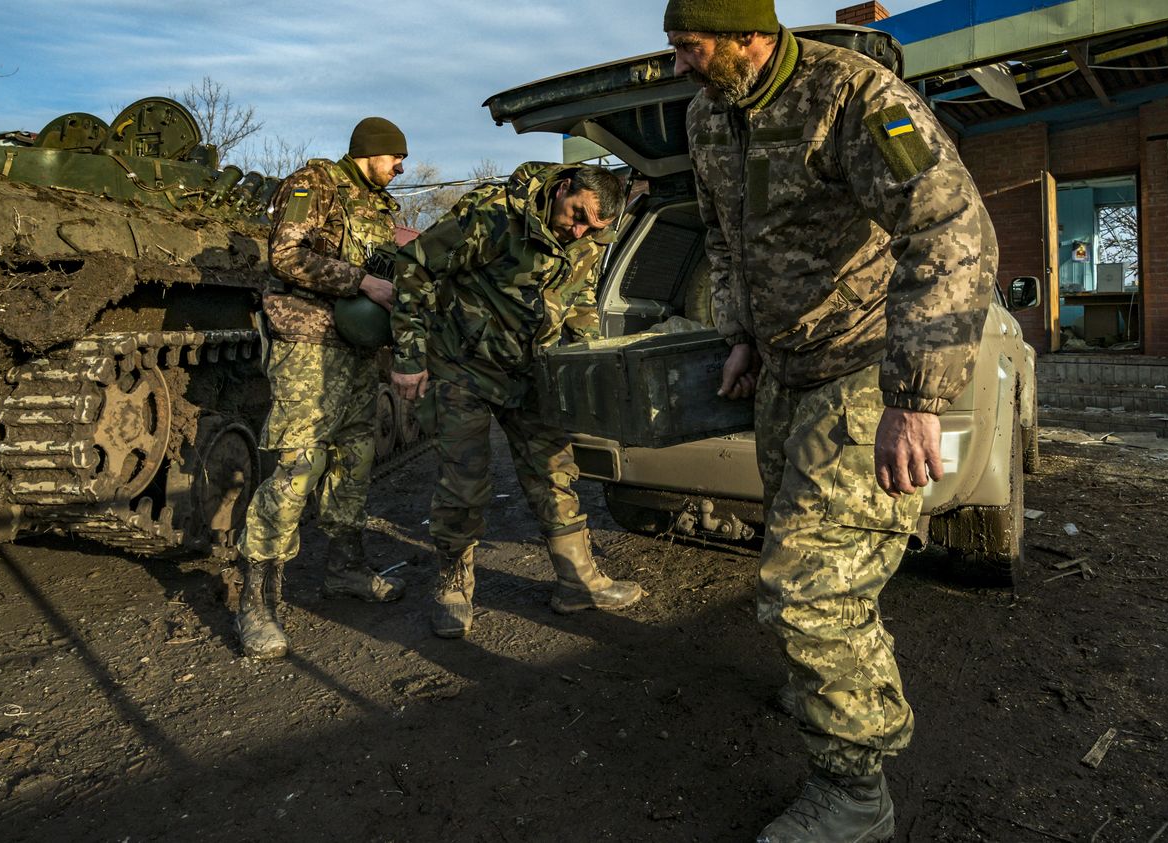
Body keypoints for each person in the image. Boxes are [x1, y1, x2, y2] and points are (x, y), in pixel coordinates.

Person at [663, 1, 997, 840]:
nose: (678, 67)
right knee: (806, 561)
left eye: (691, 48)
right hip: (784, 371)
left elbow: (951, 227)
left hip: (863, 365)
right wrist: (739, 334)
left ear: (750, 37)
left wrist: (915, 397)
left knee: (810, 586)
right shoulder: (708, 114)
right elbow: (723, 237)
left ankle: (854, 792)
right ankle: (825, 685)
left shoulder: (850, 96)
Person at [389, 162, 644, 639]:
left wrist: (579, 365)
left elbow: (582, 302)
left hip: (531, 373)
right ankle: (453, 584)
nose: (580, 230)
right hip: (462, 365)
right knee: (464, 479)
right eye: (577, 215)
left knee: (555, 469)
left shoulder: (588, 239)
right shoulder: (493, 216)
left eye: (594, 226)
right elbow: (415, 264)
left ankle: (577, 581)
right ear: (563, 187)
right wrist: (408, 353)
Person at [234, 117, 411, 661]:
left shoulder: (380, 208)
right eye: (396, 158)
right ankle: (256, 601)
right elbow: (285, 256)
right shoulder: (314, 185)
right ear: (370, 152)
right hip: (308, 342)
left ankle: (346, 570)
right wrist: (361, 282)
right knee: (297, 462)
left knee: (355, 457)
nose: (401, 167)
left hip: (357, 349)